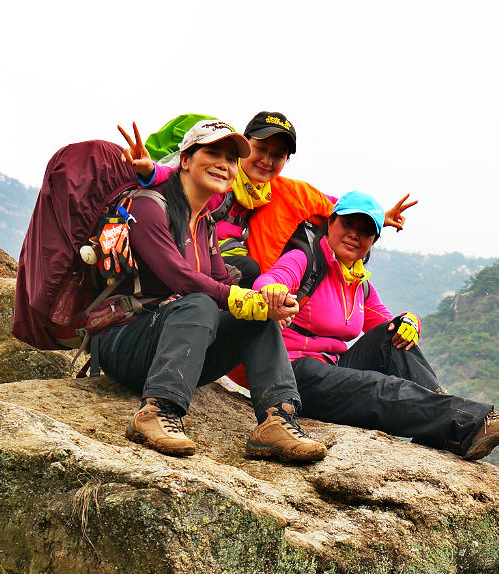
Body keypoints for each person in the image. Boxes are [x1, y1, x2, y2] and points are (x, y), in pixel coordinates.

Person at [90, 118, 325, 463]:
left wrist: (267, 306)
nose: (223, 164)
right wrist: (240, 298)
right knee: (200, 302)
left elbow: (224, 284)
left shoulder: (205, 223)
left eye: (231, 159)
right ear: (185, 159)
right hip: (123, 342)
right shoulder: (147, 205)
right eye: (212, 153)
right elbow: (179, 276)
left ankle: (278, 420)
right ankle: (157, 411)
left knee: (254, 317)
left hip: (175, 348)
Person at [251, 191, 499, 460]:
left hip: (332, 370)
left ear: (373, 240)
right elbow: (272, 278)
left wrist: (411, 321)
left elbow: (388, 328)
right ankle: (467, 423)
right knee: (380, 387)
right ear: (330, 222)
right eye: (347, 224)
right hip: (295, 373)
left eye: (365, 231)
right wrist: (273, 291)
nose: (354, 235)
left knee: (394, 335)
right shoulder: (306, 259)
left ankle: (448, 424)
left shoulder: (359, 285)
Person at [120, 113, 416, 280]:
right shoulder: (220, 175)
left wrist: (379, 216)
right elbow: (176, 178)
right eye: (260, 149)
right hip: (185, 252)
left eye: (278, 155)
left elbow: (331, 204)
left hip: (221, 261)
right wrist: (148, 170)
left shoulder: (275, 190)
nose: (267, 161)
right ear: (244, 145)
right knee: (249, 269)